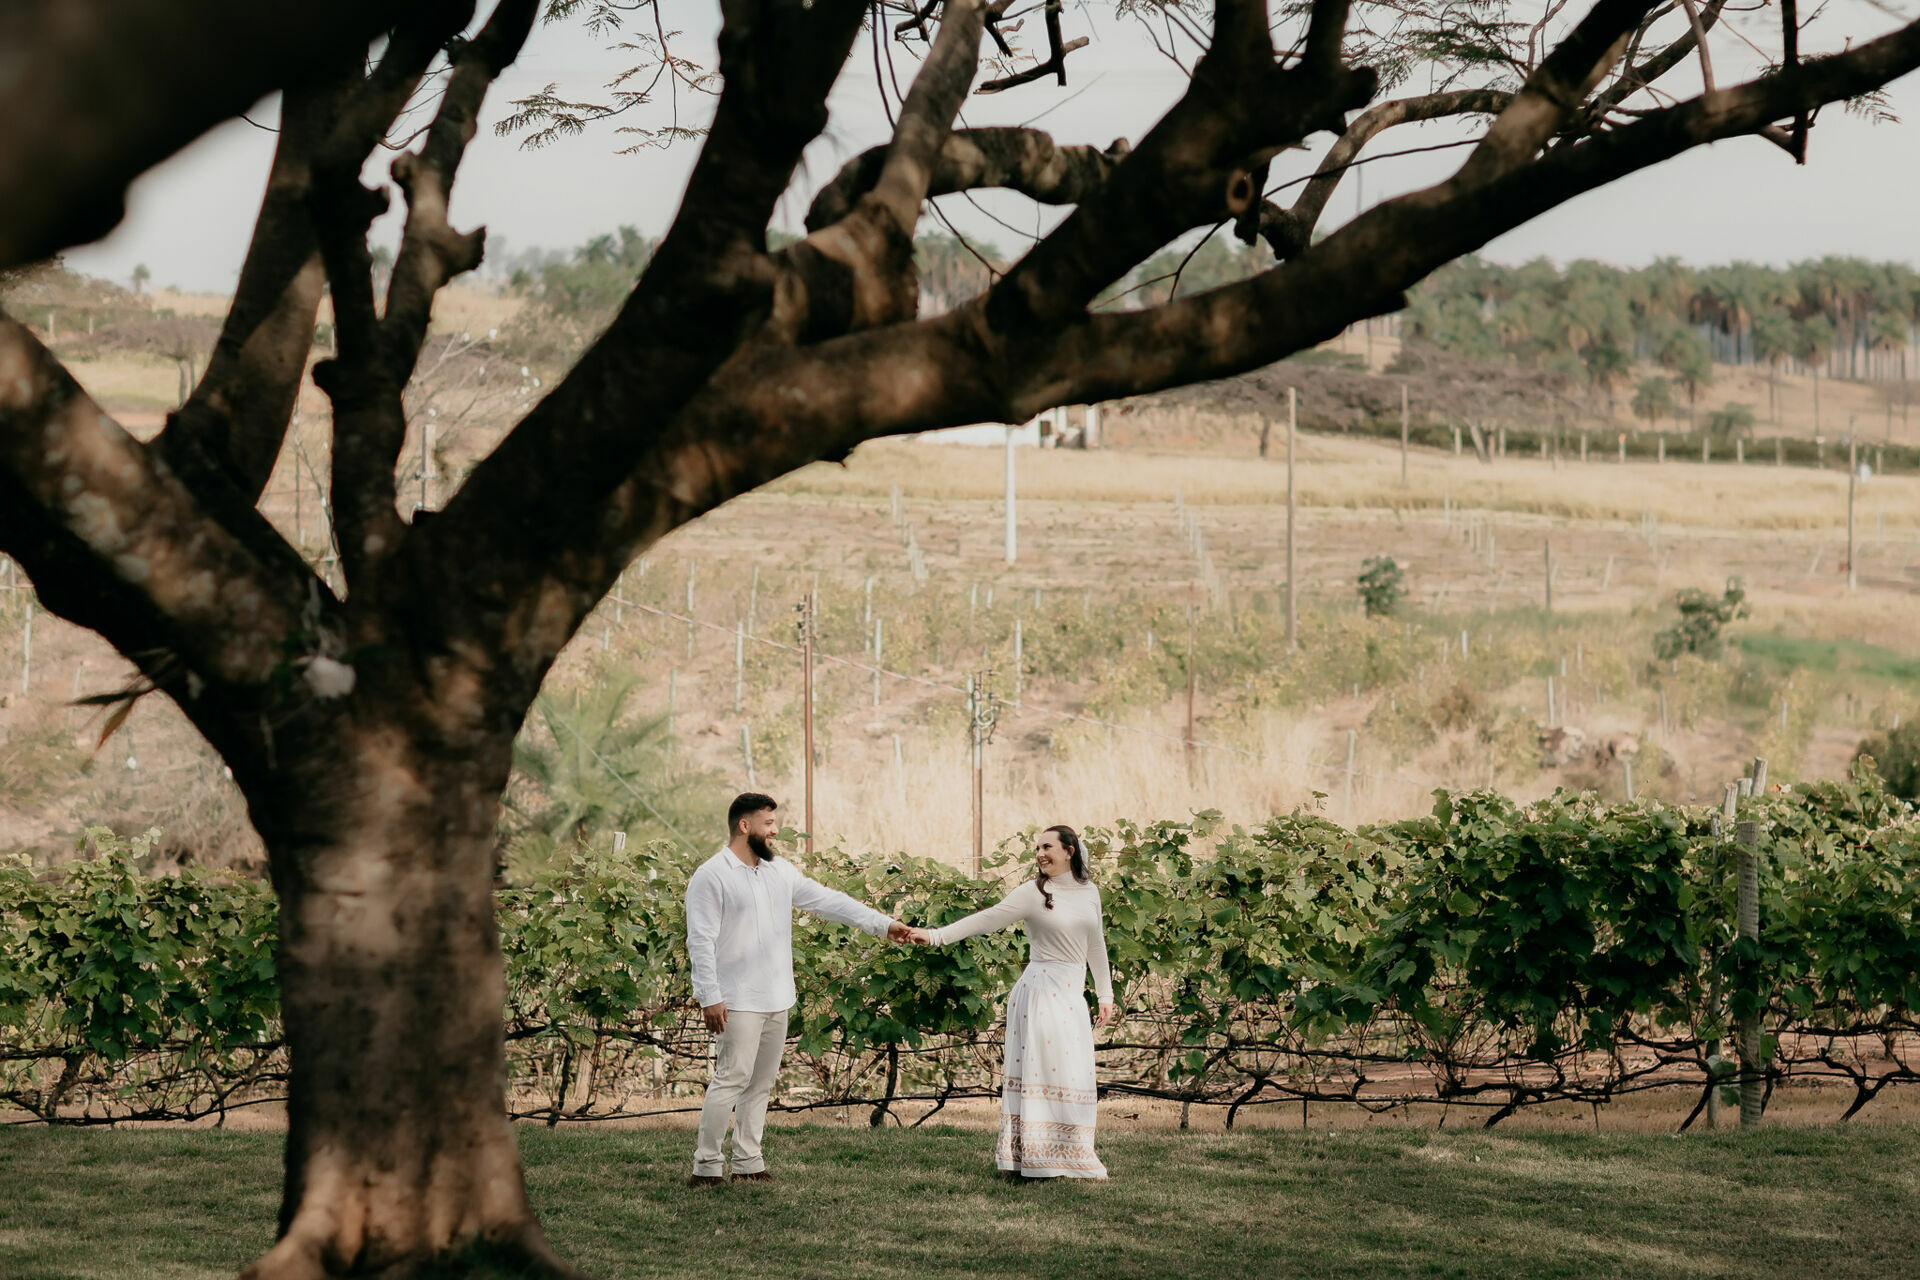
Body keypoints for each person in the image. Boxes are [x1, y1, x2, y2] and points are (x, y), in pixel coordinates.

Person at [684, 792, 912, 1187]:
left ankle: (748, 1161)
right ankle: (706, 1166)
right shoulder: (711, 875)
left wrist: (883, 924)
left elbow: (830, 902)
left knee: (760, 1084)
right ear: (744, 826)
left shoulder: (780, 872)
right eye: (768, 824)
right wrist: (710, 996)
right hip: (735, 999)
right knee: (730, 1079)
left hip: (777, 997)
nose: (775, 831)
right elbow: (700, 940)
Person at [912, 824, 1115, 1180]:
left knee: (1073, 1073)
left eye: (1047, 846)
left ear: (1070, 851)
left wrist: (1105, 993)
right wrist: (934, 937)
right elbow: (986, 920)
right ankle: (1032, 1157)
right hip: (1040, 992)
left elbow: (1095, 944)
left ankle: (1072, 1154)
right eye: (1037, 848)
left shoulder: (1089, 891)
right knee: (1044, 1071)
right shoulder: (1032, 892)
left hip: (1071, 994)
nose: (1040, 854)